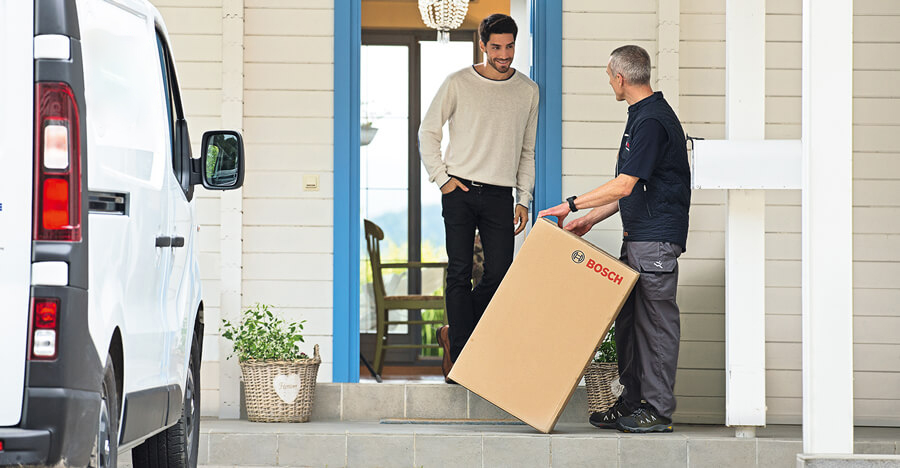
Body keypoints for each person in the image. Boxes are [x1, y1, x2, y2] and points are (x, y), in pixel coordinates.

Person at [538, 45, 691, 433]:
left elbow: (624, 184)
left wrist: (569, 206)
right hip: (639, 238)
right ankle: (633, 402)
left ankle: (656, 411)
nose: (610, 81)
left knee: (654, 325)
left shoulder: (653, 121)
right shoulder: (643, 116)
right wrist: (588, 220)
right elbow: (635, 190)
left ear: (619, 77)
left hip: (654, 244)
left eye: (609, 76)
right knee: (629, 322)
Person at [419, 13, 539, 383]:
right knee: (458, 273)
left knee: (500, 273)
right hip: (459, 190)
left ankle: (452, 334)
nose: (504, 55)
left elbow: (527, 151)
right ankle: (464, 359)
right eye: (497, 47)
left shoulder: (528, 91)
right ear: (483, 45)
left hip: (501, 195)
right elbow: (428, 133)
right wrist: (442, 180)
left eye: (510, 46)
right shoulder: (458, 83)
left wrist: (524, 198)